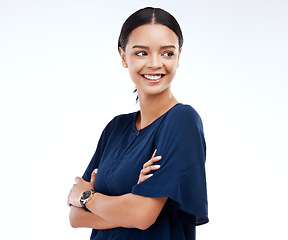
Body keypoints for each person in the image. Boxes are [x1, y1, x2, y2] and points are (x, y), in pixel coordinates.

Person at [67, 7, 209, 239]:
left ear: (179, 56)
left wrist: (89, 198)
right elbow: (76, 217)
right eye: (142, 53)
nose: (155, 64)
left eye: (167, 53)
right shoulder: (115, 128)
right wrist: (130, 202)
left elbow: (142, 216)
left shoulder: (181, 120)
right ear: (124, 56)